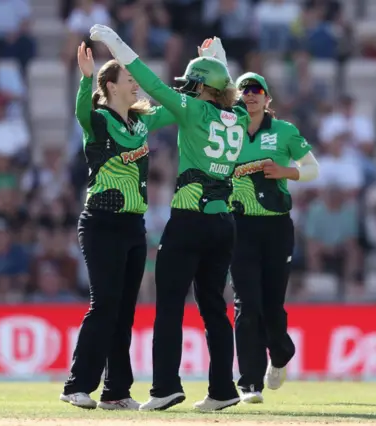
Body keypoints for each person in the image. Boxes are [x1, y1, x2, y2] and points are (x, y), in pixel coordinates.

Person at [89, 25, 247, 412]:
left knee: (170, 304)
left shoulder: (191, 108)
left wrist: (117, 46)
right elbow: (228, 95)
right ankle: (223, 390)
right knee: (214, 308)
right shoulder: (240, 118)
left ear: (199, 87)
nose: (186, 89)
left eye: (192, 84)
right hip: (224, 223)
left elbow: (151, 83)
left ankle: (165, 388)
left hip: (190, 219)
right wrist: (218, 62)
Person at [60, 42, 175, 410]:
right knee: (105, 303)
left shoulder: (141, 122)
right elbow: (81, 111)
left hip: (132, 225)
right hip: (101, 222)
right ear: (111, 85)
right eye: (130, 77)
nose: (136, 83)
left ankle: (116, 391)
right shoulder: (98, 120)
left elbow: (173, 107)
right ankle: (77, 384)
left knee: (125, 308)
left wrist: (198, 86)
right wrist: (85, 78)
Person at [229, 71, 319, 403]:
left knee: (271, 305)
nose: (250, 95)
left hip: (276, 227)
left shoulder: (285, 132)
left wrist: (286, 172)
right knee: (246, 303)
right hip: (239, 225)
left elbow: (313, 169)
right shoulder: (228, 129)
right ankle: (250, 383)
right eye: (244, 90)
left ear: (267, 98)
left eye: (256, 90)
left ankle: (280, 355)